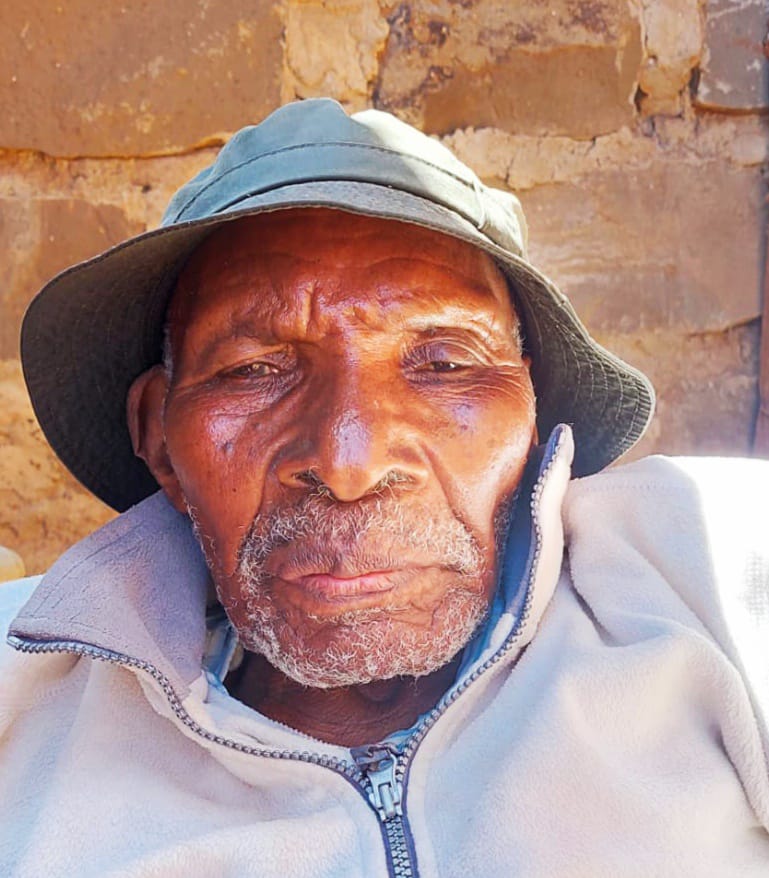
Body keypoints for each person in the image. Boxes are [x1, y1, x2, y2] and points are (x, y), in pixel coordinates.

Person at [1, 98, 768, 876]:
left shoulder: (704, 573)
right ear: (159, 436)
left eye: (444, 364)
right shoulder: (19, 700)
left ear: (534, 413)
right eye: (254, 370)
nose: (349, 465)